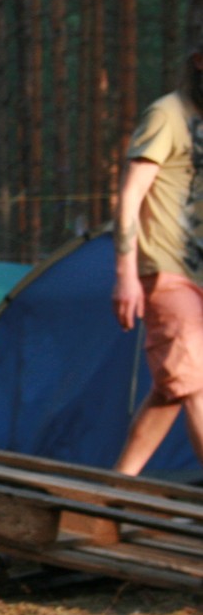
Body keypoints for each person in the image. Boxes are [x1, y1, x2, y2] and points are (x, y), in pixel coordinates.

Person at [111, 45, 203, 473]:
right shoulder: (166, 115)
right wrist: (125, 274)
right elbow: (130, 197)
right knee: (197, 383)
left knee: (172, 386)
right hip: (164, 271)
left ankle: (113, 490)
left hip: (198, 272)